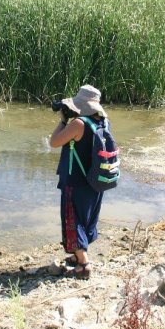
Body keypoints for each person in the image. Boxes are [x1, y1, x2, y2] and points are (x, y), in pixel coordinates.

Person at [49, 85, 109, 280]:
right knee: (86, 219)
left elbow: (54, 142)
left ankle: (83, 264)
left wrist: (63, 120)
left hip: (75, 181)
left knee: (72, 221)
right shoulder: (103, 122)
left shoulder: (78, 124)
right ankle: (78, 256)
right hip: (95, 180)